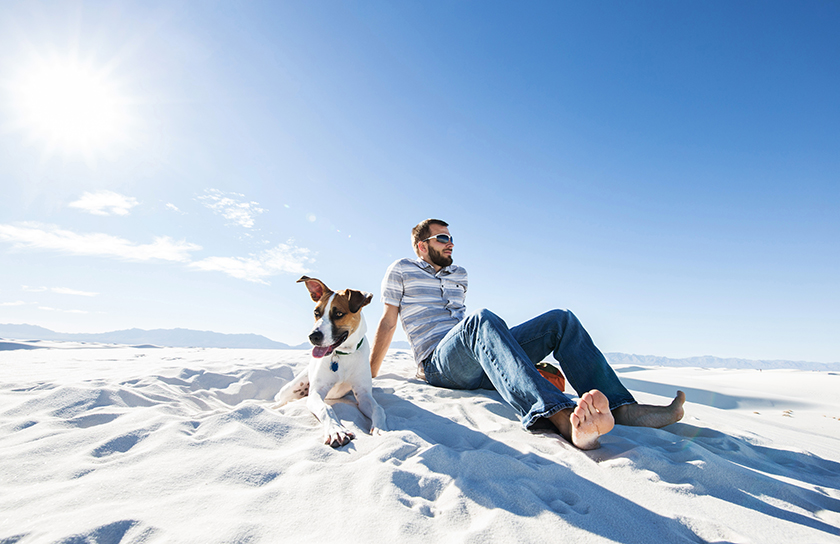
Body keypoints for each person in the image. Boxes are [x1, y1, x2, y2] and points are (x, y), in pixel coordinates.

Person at [370, 218, 685, 450]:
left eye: (452, 238)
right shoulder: (401, 269)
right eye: (442, 238)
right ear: (422, 246)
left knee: (560, 320)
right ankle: (560, 417)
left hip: (476, 357)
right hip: (439, 363)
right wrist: (368, 375)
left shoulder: (460, 275)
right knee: (481, 319)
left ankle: (621, 408)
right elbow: (387, 322)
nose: (450, 243)